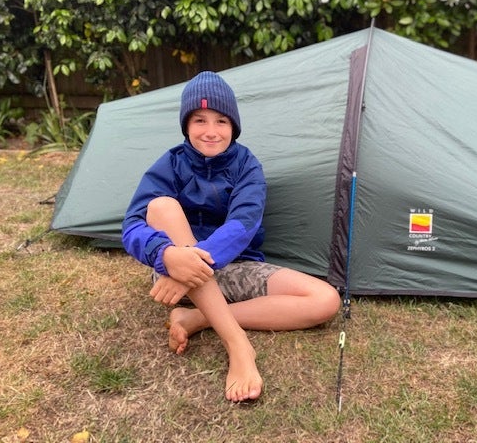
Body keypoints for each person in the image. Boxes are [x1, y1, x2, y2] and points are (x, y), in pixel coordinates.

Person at [121, 71, 341, 403]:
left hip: (227, 269)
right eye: (200, 120)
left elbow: (243, 225)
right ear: (186, 125)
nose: (211, 131)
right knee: (162, 206)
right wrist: (167, 257)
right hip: (175, 267)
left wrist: (193, 267)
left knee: (326, 300)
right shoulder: (170, 164)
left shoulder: (247, 165)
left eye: (221, 121)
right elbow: (132, 226)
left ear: (233, 126)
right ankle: (238, 345)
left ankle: (195, 317)